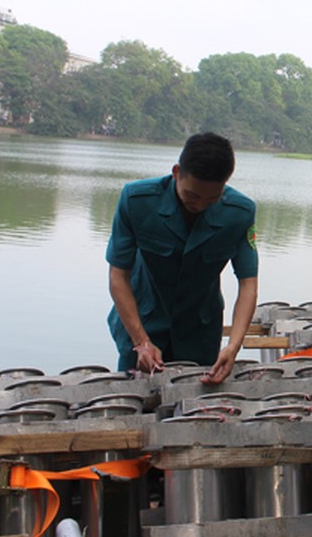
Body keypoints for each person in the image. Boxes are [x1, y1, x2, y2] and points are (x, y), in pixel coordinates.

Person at [106, 132, 259, 384]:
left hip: (199, 333)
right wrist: (141, 342)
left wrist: (233, 345)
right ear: (176, 172)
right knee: (136, 399)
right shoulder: (137, 201)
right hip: (141, 322)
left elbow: (248, 283)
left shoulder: (239, 213)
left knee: (194, 407)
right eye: (192, 195)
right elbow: (118, 276)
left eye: (212, 198)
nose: (200, 204)